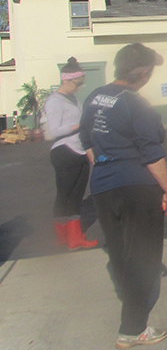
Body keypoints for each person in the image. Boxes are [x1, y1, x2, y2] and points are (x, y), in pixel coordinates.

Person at [80, 43, 167, 349]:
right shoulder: (136, 105)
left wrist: (106, 167)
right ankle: (133, 328)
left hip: (103, 185)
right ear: (144, 73)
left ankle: (130, 310)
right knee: (145, 255)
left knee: (121, 252)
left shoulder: (96, 98)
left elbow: (87, 142)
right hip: (137, 186)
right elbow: (152, 155)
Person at [43, 57, 97, 250]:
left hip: (79, 149)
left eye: (82, 83)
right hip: (65, 152)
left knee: (75, 195)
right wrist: (79, 125)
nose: (80, 87)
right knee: (65, 195)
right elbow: (55, 130)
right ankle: (66, 236)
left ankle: (71, 236)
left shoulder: (72, 99)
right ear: (65, 80)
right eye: (78, 83)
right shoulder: (54, 101)